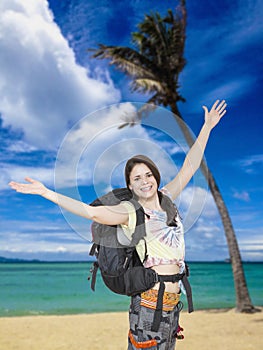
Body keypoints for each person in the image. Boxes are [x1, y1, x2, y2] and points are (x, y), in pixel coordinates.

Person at [9, 99, 227, 349]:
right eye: (137, 178)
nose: (145, 181)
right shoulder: (131, 211)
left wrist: (207, 127)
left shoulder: (167, 198)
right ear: (131, 186)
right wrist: (46, 192)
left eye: (148, 175)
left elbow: (190, 166)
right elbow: (92, 213)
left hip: (171, 304)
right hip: (149, 304)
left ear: (155, 177)